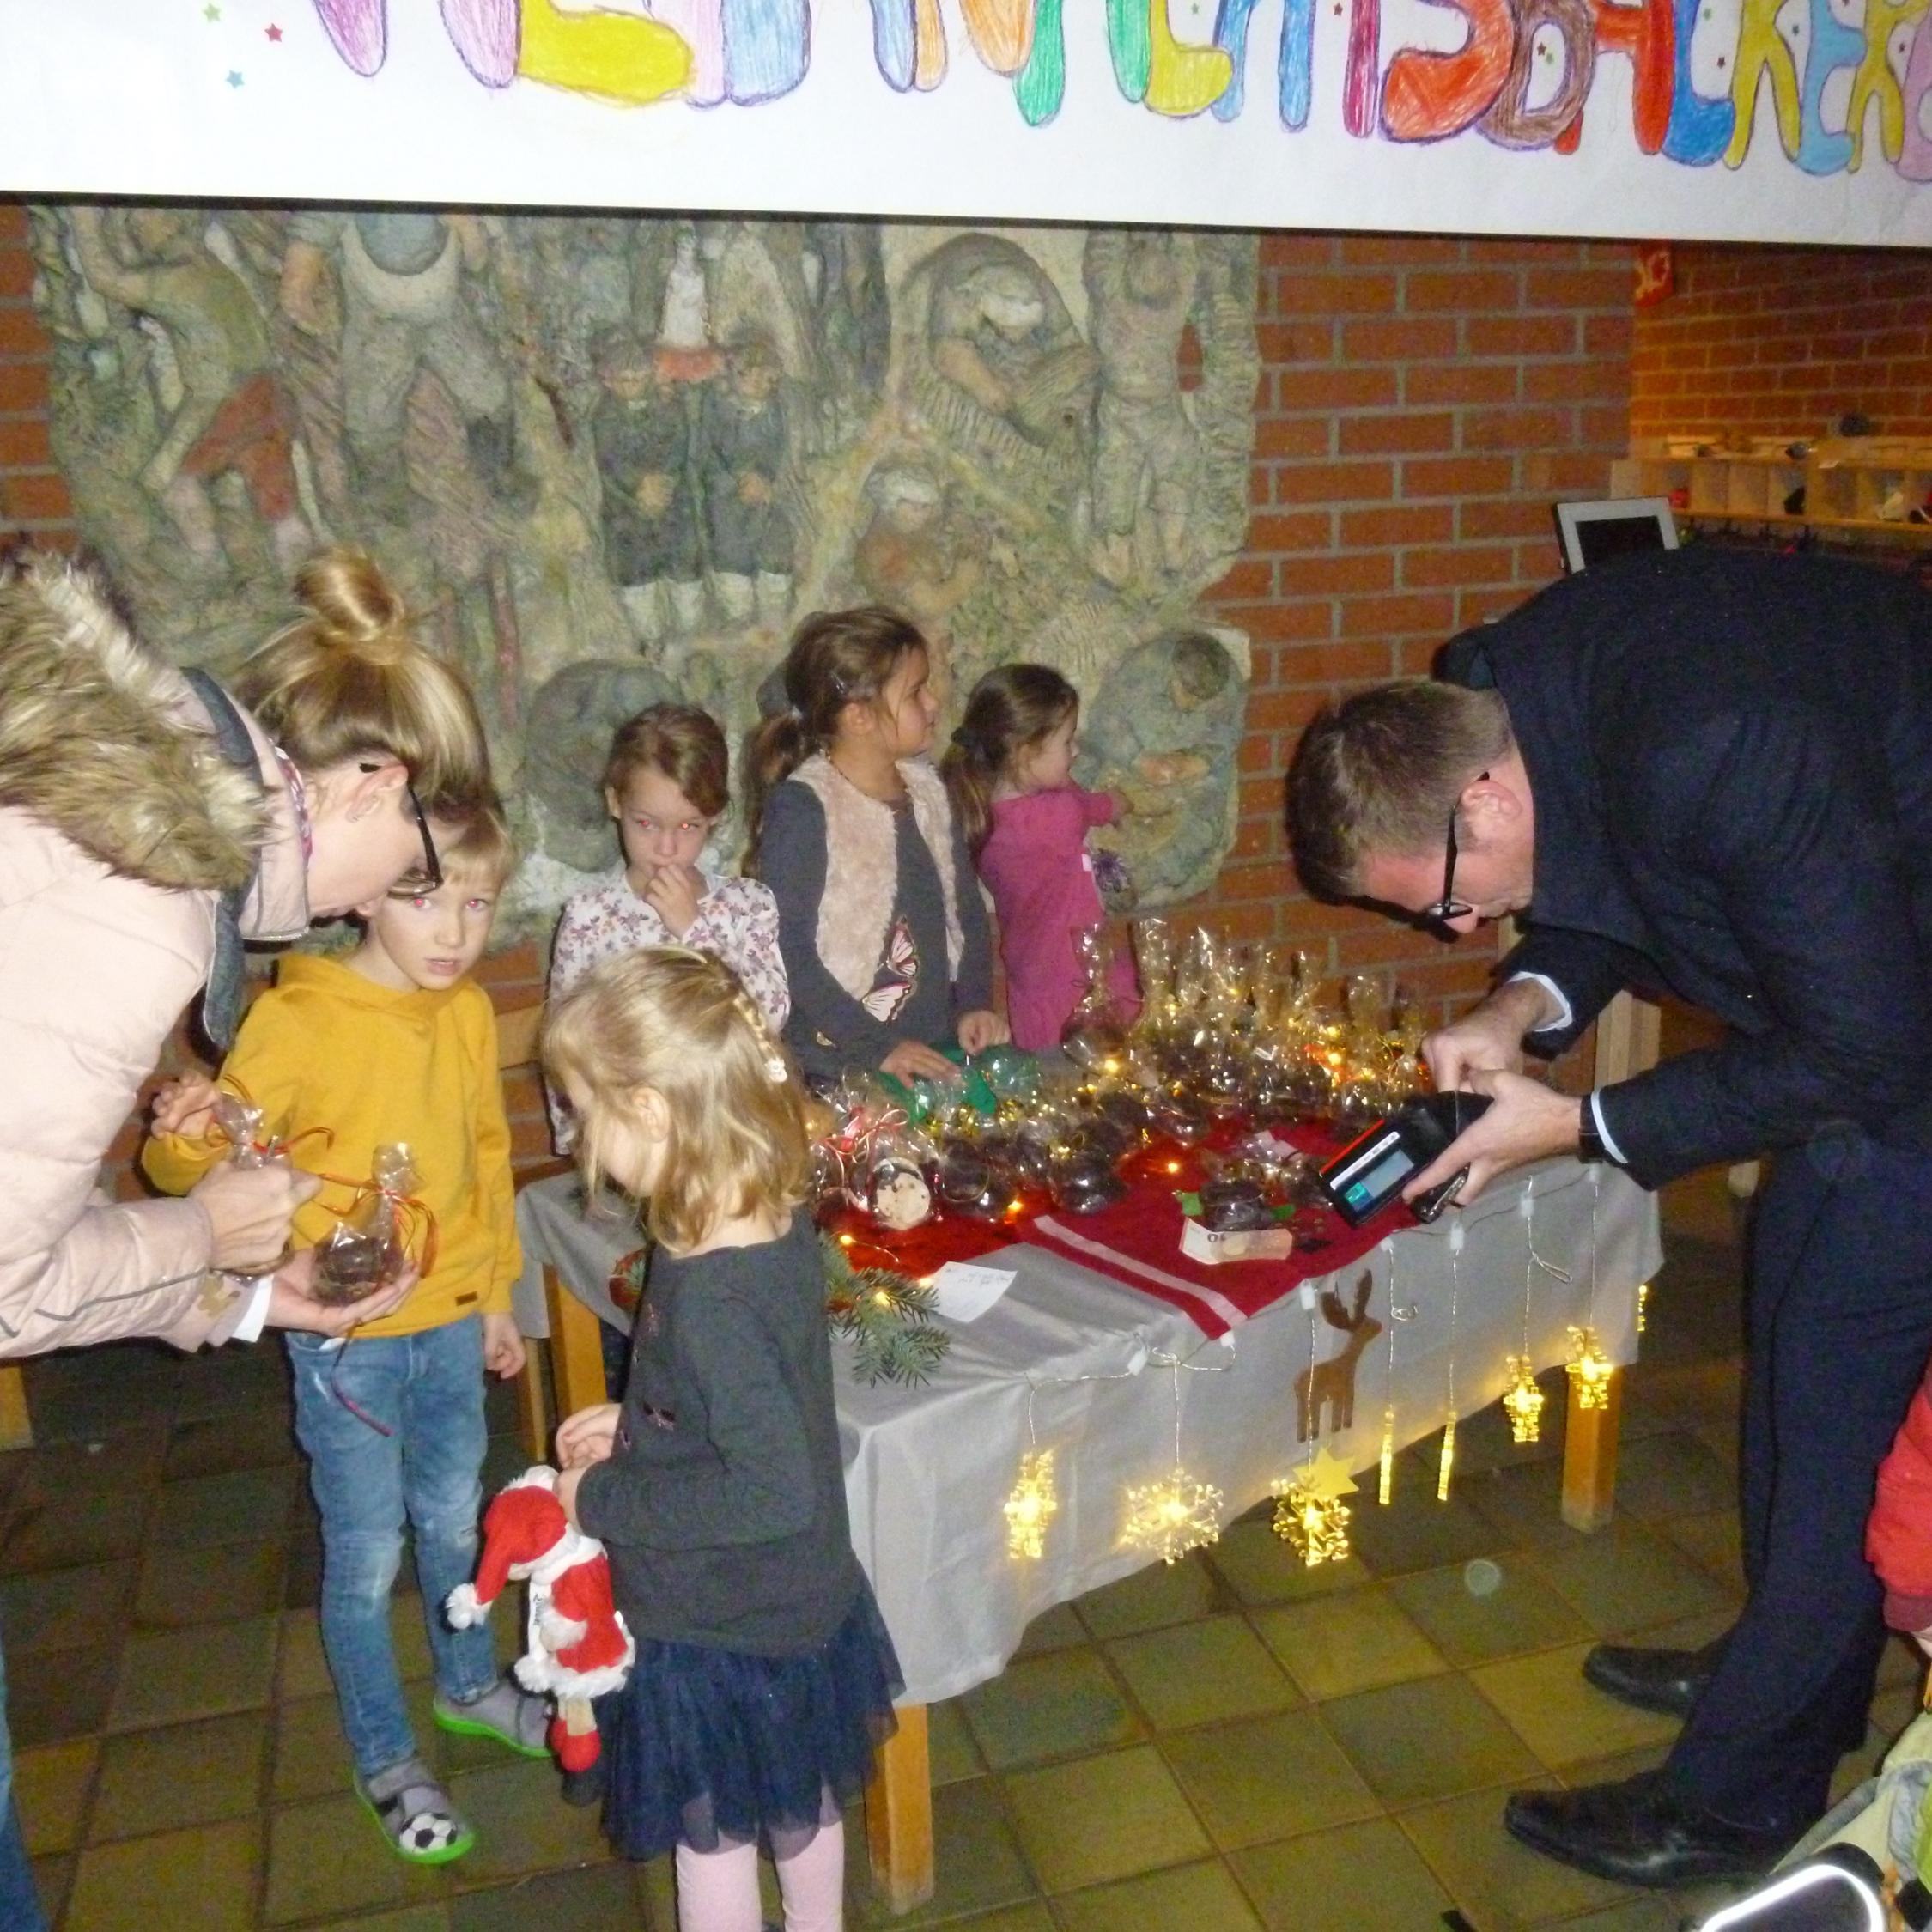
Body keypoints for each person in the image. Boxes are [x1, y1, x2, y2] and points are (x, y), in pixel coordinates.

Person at [1285, 544, 1932, 1889]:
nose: (1463, 925)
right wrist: (1511, 1008)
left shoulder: (1714, 744)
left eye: (1453, 901)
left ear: (1477, 791)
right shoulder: (1507, 696)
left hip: (1903, 1046)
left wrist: (1575, 1126)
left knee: (1833, 1401)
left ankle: (1742, 1801)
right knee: (1789, 1333)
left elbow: (1867, 1051)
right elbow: (1612, 882)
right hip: (1854, 1024)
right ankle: (1780, 1669)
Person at [0, 540, 494, 1925]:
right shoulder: (143, 914)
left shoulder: (123, 820)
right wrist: (206, 1230)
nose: (359, 909)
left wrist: (251, 1294)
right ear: (371, 783)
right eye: (407, 865)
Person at [142, 799, 544, 1864]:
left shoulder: (460, 1012)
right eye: (426, 897)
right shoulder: (299, 1020)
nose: (456, 931)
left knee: (458, 1524)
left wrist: (498, 1291)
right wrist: (182, 1147)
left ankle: (469, 1686)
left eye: (477, 902)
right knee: (367, 1555)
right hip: (344, 1337)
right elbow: (209, 1160)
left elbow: (486, 1156)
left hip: (454, 1323)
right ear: (367, 890)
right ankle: (385, 1754)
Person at [544, 947, 902, 1932]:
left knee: (713, 1838)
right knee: (799, 1803)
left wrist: (603, 1497)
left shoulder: (709, 1293)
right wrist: (647, 1419)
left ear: (652, 1113)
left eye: (585, 1110)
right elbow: (749, 1408)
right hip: (796, 1601)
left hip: (722, 1623)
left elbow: (770, 1486)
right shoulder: (758, 1219)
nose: (581, 1134)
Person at [749, 606, 1006, 1087]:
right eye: (915, 692)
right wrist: (878, 1047)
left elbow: (966, 911)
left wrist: (974, 1003)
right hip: (844, 1063)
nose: (932, 703)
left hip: (932, 1047)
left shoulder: (928, 791)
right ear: (860, 716)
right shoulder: (806, 809)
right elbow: (790, 951)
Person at [547, 702, 788, 1151]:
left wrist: (694, 930)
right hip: (628, 1146)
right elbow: (565, 1044)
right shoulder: (590, 918)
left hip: (725, 1138)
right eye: (646, 823)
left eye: (689, 825)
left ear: (714, 816)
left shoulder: (746, 905)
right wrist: (583, 1143)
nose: (667, 847)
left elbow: (768, 1017)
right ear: (615, 801)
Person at [941, 663, 1139, 1051]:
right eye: (1067, 743)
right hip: (1078, 981)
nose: (1076, 751)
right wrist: (1116, 803)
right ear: (1024, 752)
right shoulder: (1055, 818)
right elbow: (1084, 805)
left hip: (1036, 979)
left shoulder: (989, 809)